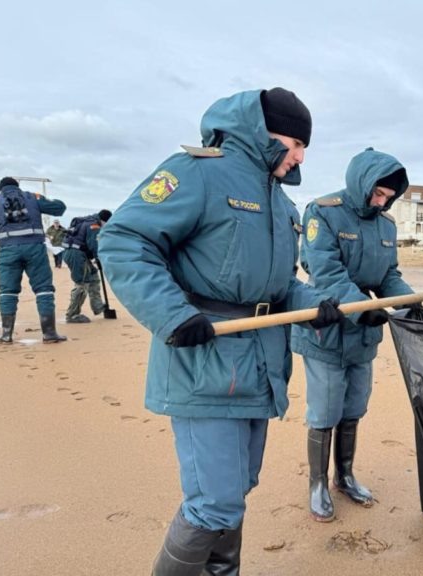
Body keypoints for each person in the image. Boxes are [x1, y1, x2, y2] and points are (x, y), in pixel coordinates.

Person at [96, 87, 345, 576]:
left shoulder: (281, 203)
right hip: (204, 363)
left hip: (260, 366)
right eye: (296, 143)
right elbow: (123, 240)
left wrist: (315, 305)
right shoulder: (198, 172)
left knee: (237, 489)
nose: (300, 157)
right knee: (214, 502)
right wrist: (172, 314)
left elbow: (280, 286)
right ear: (266, 132)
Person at [290, 147, 418, 522]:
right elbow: (326, 272)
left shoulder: (386, 225)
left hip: (364, 337)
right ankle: (318, 483)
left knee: (354, 406)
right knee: (325, 409)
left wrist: (409, 304)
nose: (381, 202)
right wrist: (364, 308)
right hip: (327, 330)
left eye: (388, 197)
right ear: (362, 184)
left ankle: (344, 475)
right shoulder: (324, 212)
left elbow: (389, 276)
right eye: (378, 194)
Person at [0, 176, 68, 344]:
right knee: (43, 289)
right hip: (35, 248)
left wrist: (5, 235)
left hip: (8, 250)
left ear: (0, 189)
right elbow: (60, 208)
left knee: (7, 291)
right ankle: (49, 334)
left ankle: (6, 335)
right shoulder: (32, 197)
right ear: (17, 187)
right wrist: (46, 200)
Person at [61, 210, 112, 323]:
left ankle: (98, 306)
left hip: (76, 253)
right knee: (82, 283)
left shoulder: (86, 221)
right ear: (104, 221)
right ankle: (72, 315)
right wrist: (98, 259)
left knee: (93, 276)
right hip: (76, 255)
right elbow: (94, 244)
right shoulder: (94, 225)